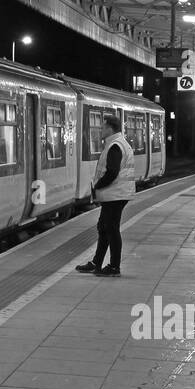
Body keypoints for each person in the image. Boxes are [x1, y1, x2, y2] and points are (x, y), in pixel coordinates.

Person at [76, 114, 135, 277]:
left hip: (116, 194)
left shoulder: (115, 146)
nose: (100, 130)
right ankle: (96, 263)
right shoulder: (118, 143)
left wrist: (97, 185)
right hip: (115, 194)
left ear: (109, 128)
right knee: (104, 228)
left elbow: (112, 172)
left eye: (102, 127)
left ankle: (114, 267)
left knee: (111, 229)